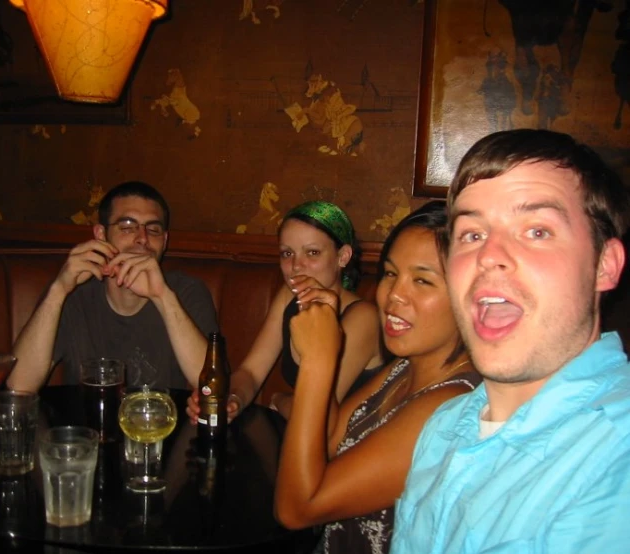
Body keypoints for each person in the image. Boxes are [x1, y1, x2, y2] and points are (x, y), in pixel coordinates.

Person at [391, 129, 630, 553]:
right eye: (472, 234)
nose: (488, 255)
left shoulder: (616, 455)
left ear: (604, 265)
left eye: (536, 231)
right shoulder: (444, 427)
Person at [274, 201, 480, 554]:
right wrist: (324, 325)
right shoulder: (403, 368)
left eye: (422, 280)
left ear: (471, 294)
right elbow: (326, 439)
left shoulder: (450, 405)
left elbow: (297, 510)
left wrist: (320, 361)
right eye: (389, 273)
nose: (392, 296)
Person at [8, 181, 218, 392]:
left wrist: (162, 296)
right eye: (127, 227)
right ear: (101, 234)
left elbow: (211, 385)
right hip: (86, 422)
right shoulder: (72, 293)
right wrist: (57, 291)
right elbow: (19, 385)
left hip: (160, 423)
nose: (142, 239)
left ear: (164, 241)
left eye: (153, 229)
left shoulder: (187, 291)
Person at [187, 200, 383, 421]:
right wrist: (232, 400)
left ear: (343, 256)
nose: (296, 266)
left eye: (312, 252)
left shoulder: (363, 317)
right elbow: (251, 373)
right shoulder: (289, 296)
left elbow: (316, 417)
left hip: (354, 447)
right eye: (287, 254)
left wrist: (280, 399)